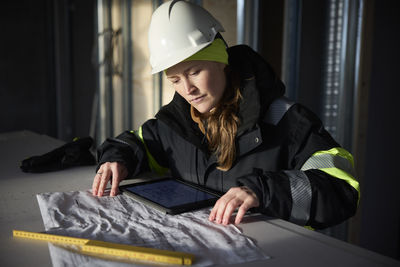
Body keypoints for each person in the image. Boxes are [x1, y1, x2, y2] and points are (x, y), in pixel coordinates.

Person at [92, 0, 359, 229]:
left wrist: (263, 191)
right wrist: (118, 159)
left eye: (195, 71)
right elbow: (135, 143)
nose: (188, 89)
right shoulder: (176, 123)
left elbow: (339, 190)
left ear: (221, 61)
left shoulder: (286, 121)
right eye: (175, 80)